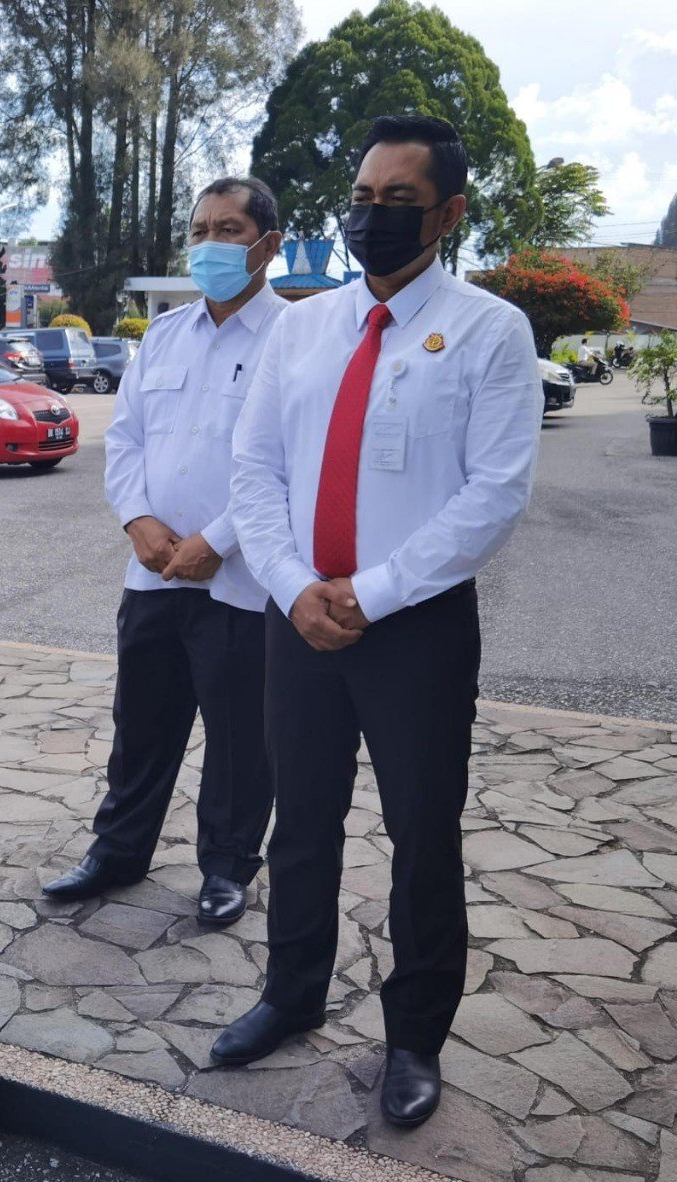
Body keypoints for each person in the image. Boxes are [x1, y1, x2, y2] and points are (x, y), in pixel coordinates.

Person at [218, 115, 542, 1128]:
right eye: (361, 197)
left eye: (397, 203)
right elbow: (255, 468)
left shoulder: (488, 332)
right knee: (301, 816)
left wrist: (374, 590)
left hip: (414, 630)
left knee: (420, 834)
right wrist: (291, 583)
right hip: (298, 614)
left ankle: (413, 1034)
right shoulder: (302, 326)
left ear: (446, 214)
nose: (370, 217)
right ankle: (288, 991)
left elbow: (492, 493)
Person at [43, 176, 283, 927]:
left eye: (230, 230)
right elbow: (128, 439)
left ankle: (226, 867)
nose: (210, 244)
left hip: (240, 580)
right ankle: (118, 850)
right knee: (141, 725)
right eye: (201, 229)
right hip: (151, 574)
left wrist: (219, 539)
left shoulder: (293, 340)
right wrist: (138, 521)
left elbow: (293, 461)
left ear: (268, 246)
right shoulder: (166, 336)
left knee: (243, 737)